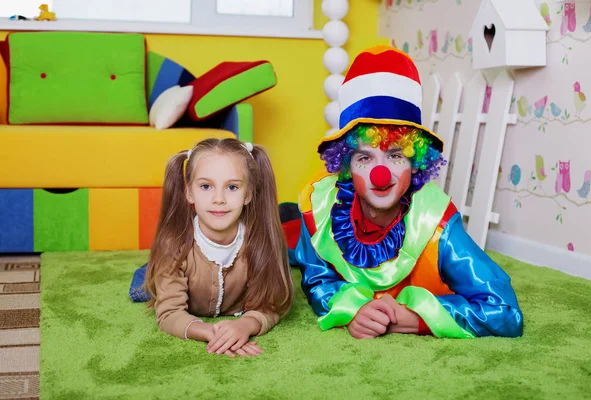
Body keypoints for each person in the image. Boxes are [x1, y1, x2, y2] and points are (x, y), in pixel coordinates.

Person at [293, 46, 523, 339]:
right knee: (283, 238)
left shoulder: (438, 223)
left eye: (395, 156)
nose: (381, 174)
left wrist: (415, 318)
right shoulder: (319, 208)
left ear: (416, 163)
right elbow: (317, 281)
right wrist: (350, 307)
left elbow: (504, 311)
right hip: (315, 215)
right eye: (365, 158)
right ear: (346, 166)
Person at [129, 138, 294, 357]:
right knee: (142, 287)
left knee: (289, 255)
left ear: (248, 194)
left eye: (232, 187)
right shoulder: (173, 246)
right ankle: (151, 268)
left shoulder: (262, 243)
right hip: (180, 258)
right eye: (206, 186)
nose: (219, 199)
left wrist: (246, 324)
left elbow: (272, 305)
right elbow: (170, 314)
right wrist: (212, 333)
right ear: (189, 193)